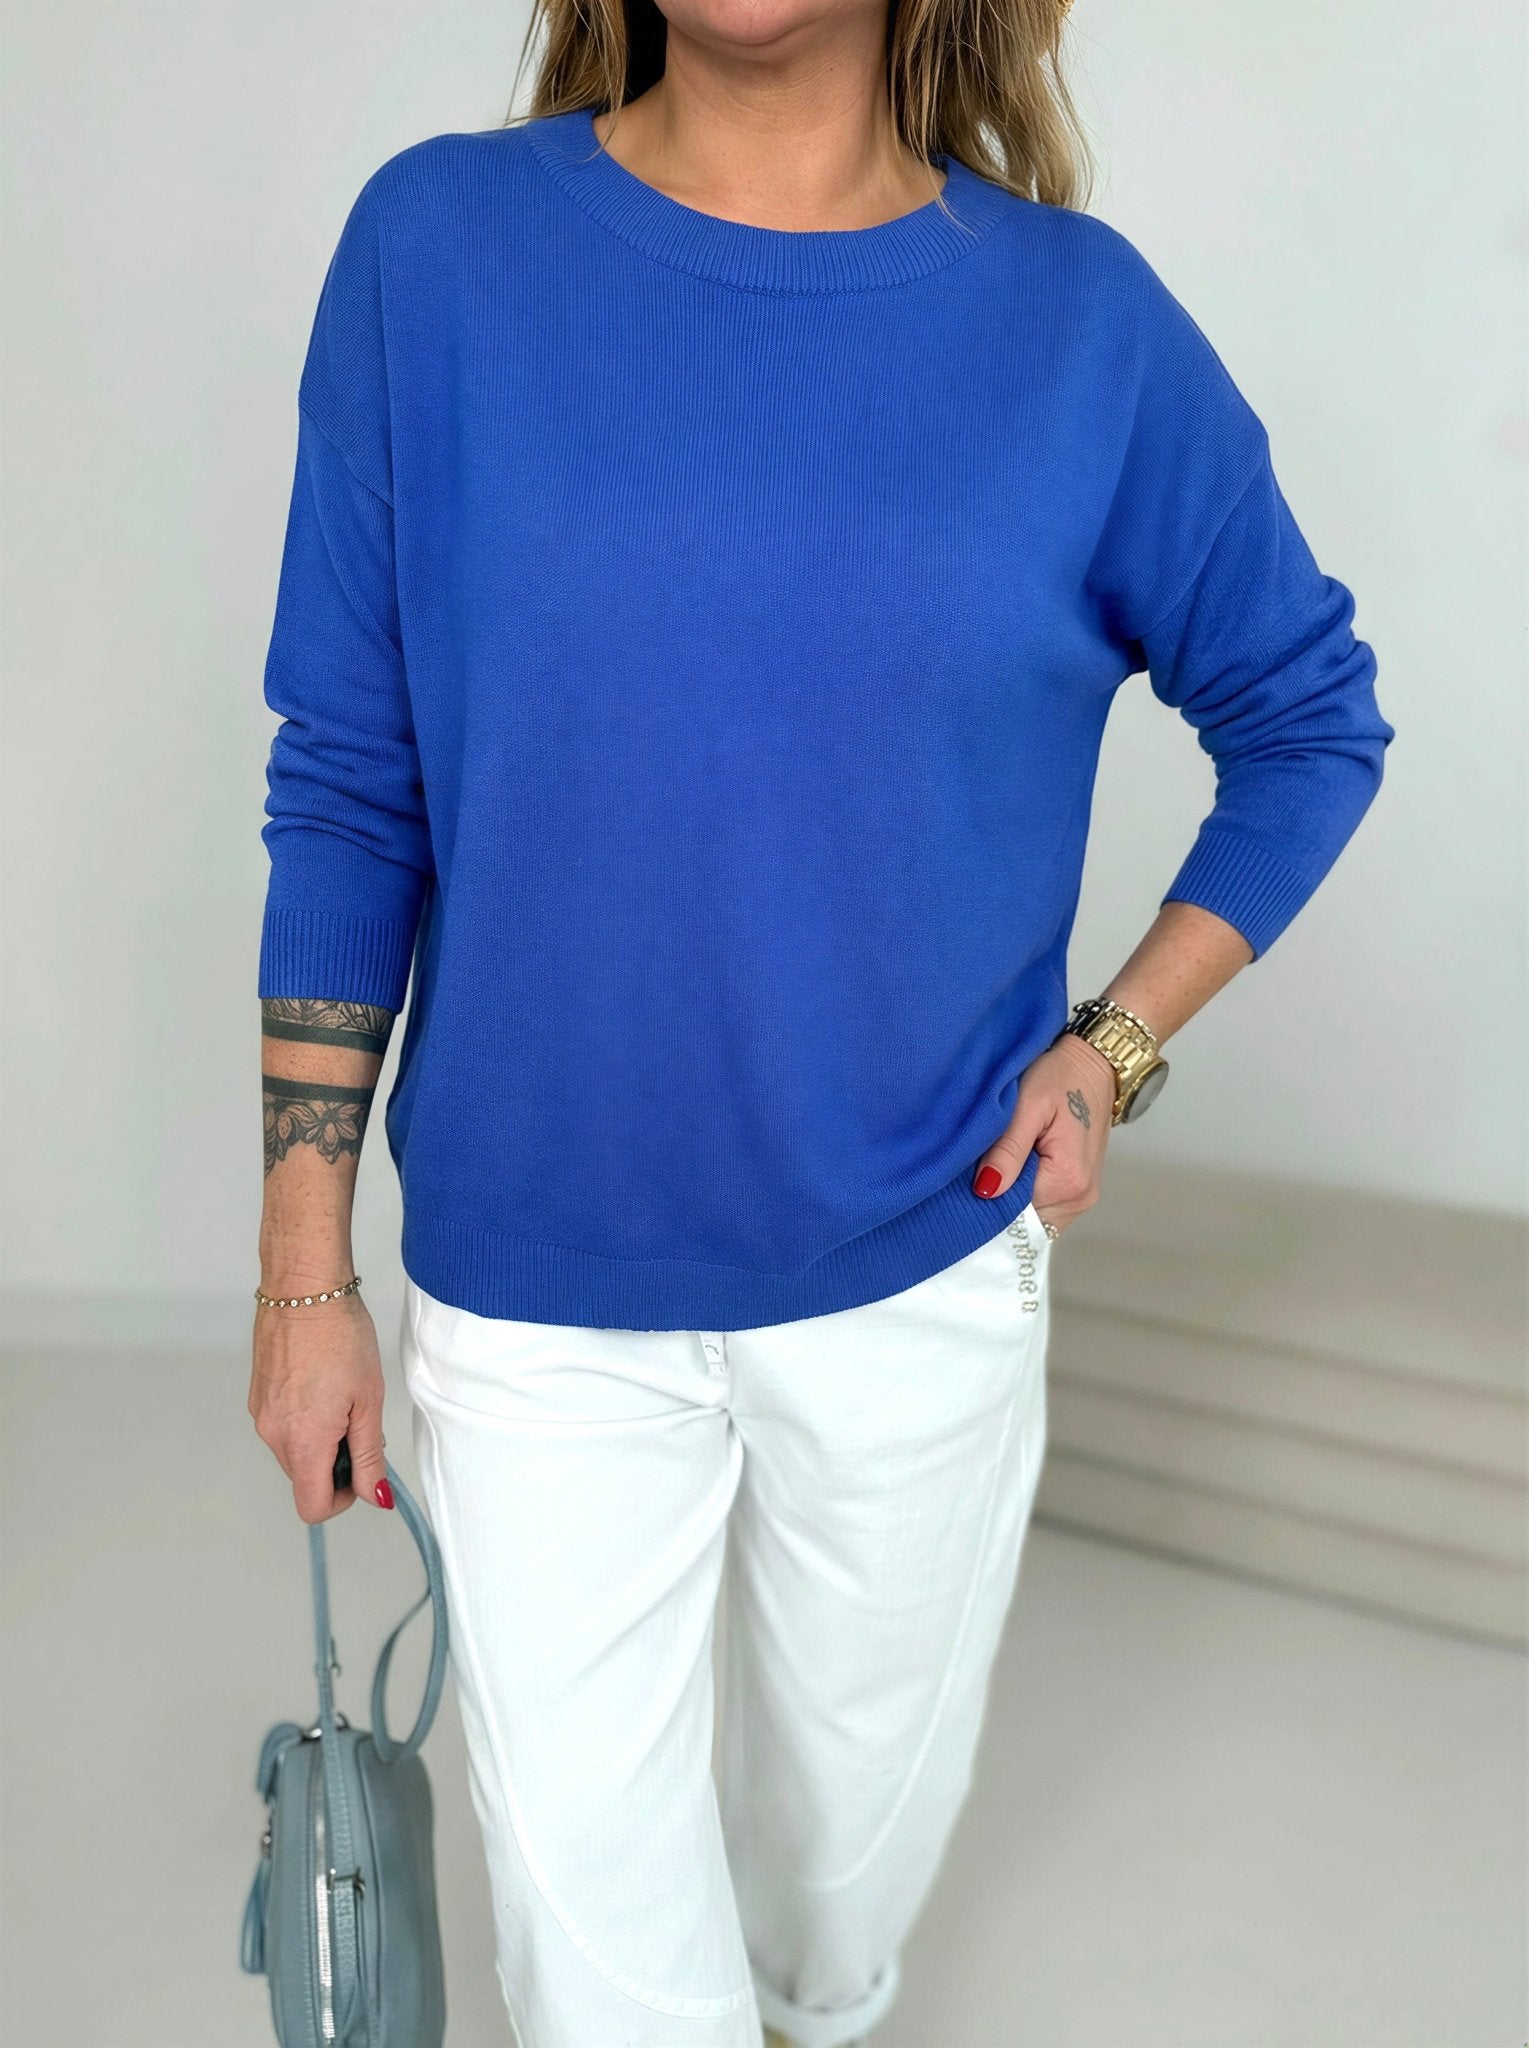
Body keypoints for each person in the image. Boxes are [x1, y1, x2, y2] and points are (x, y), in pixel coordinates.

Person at [247, 0, 1395, 2038]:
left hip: (918, 1271)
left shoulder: (1078, 329)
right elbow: (351, 780)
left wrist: (1116, 1046)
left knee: (832, 1904)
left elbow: (1306, 717)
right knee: (603, 1969)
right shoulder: (437, 253)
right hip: (534, 1290)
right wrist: (303, 1273)